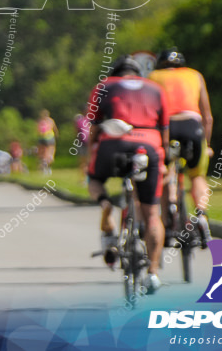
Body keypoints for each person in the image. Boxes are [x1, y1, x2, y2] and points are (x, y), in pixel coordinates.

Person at [86, 56, 169, 293]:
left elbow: (92, 126)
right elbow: (165, 131)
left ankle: (105, 205)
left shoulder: (104, 85)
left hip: (113, 143)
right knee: (152, 213)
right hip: (149, 145)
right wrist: (165, 160)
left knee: (95, 180)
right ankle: (152, 273)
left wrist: (90, 151)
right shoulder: (156, 88)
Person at [147, 49, 215, 246]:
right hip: (192, 126)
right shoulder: (195, 75)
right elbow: (208, 117)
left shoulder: (153, 76)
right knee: (197, 176)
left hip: (167, 127)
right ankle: (201, 215)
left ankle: (169, 218)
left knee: (165, 173)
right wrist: (207, 145)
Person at [36, 109, 57, 174]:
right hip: (49, 138)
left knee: (42, 153)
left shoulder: (39, 121)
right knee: (50, 152)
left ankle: (42, 165)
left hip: (41, 138)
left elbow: (37, 130)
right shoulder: (50, 121)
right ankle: (47, 166)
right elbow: (55, 129)